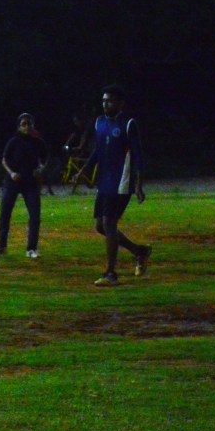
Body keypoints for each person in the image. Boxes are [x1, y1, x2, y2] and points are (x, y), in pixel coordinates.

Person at [79, 86, 151, 286]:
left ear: (120, 104)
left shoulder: (128, 124)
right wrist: (84, 169)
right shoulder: (100, 122)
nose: (105, 104)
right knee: (101, 226)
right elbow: (98, 150)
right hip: (104, 182)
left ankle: (110, 273)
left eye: (110, 101)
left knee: (109, 224)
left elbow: (138, 156)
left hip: (121, 182)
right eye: (103, 100)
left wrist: (138, 185)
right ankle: (139, 251)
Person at [0, 113, 48, 259]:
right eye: (24, 124)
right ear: (19, 127)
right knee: (5, 213)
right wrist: (11, 173)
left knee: (35, 214)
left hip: (30, 182)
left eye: (29, 123)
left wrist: (41, 169)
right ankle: (1, 245)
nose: (27, 126)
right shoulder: (13, 142)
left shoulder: (38, 142)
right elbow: (4, 160)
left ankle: (31, 248)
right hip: (13, 181)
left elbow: (45, 159)